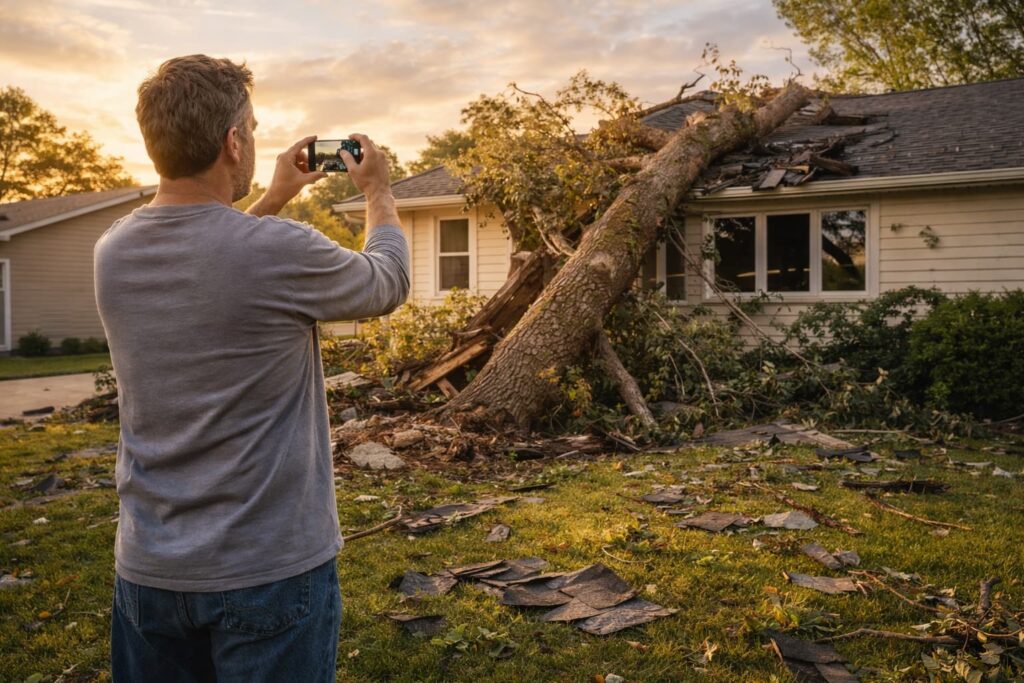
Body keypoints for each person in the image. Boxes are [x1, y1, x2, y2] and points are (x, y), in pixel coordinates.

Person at [94, 54, 409, 682]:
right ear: (232, 142)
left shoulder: (114, 251)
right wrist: (377, 188)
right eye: (253, 127)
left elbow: (215, 257)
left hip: (150, 572)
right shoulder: (276, 252)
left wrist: (272, 197)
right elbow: (388, 282)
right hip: (267, 572)